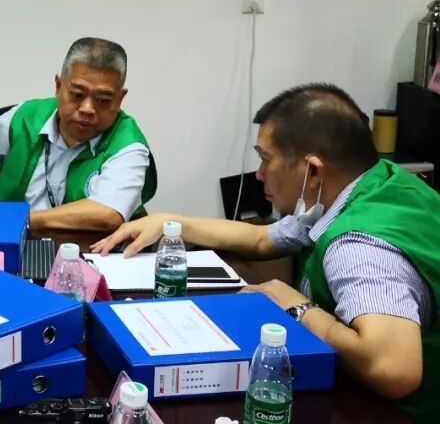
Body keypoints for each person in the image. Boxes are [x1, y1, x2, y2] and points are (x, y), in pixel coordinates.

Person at [92, 84, 440, 422]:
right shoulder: (371, 186)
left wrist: (297, 307)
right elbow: (262, 239)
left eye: (265, 159)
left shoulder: (358, 247)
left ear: (313, 170)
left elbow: (393, 369)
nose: (258, 175)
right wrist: (172, 222)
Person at [0, 37, 155, 231]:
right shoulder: (26, 117)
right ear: (58, 85)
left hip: (91, 251)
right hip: (10, 243)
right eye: (77, 94)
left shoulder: (128, 144)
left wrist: (17, 219)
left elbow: (107, 213)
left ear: (120, 98)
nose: (87, 109)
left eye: (103, 100)